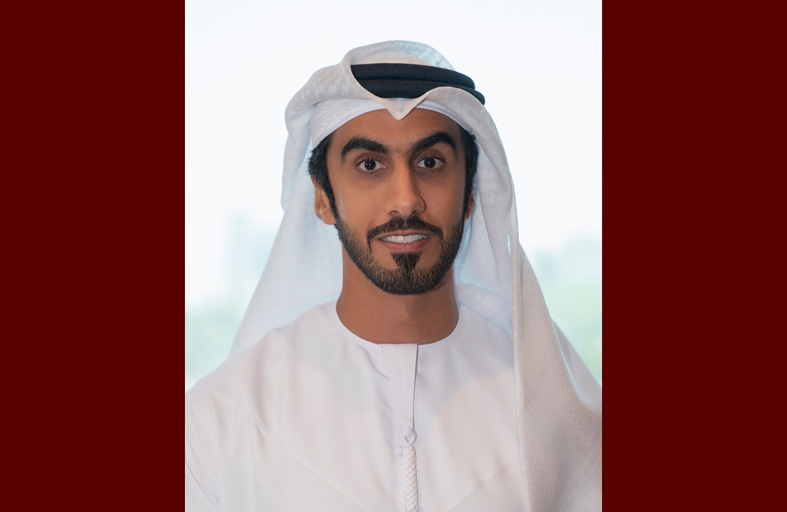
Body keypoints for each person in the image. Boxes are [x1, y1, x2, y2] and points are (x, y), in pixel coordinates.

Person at [185, 40, 601, 512]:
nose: (406, 199)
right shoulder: (223, 417)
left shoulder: (552, 411)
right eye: (370, 165)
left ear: (469, 194)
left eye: (430, 163)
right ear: (322, 198)